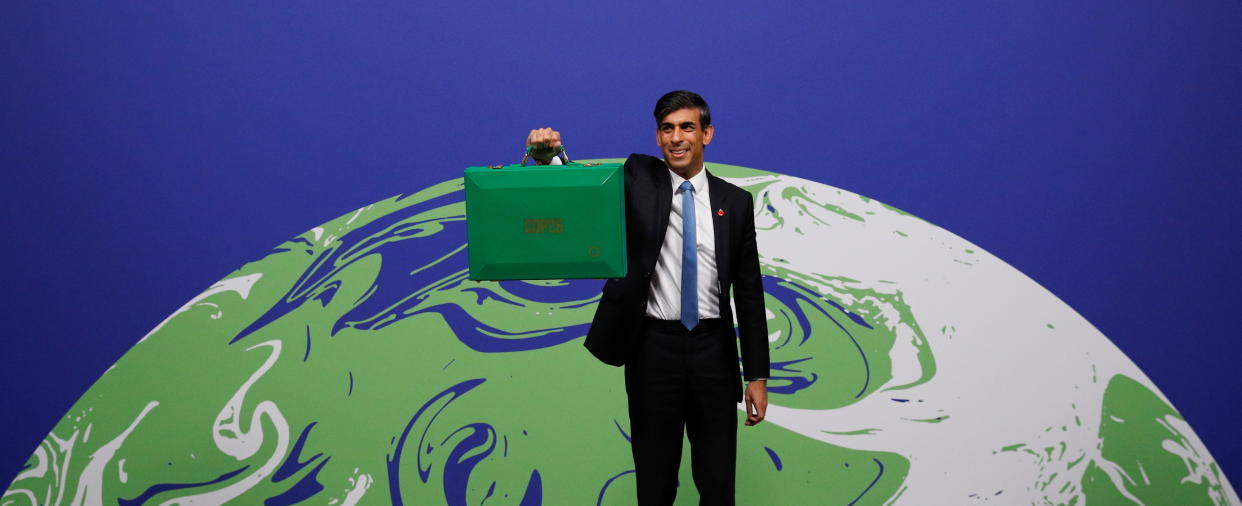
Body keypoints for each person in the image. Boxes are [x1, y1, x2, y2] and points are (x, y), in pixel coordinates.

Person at [526, 90, 769, 506]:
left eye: (687, 127)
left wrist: (758, 376)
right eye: (667, 129)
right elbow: (585, 189)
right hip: (653, 351)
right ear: (658, 138)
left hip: (714, 352)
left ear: (707, 134)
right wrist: (551, 154)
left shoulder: (736, 203)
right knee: (655, 486)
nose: (677, 137)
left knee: (718, 484)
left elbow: (748, 293)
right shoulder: (638, 179)